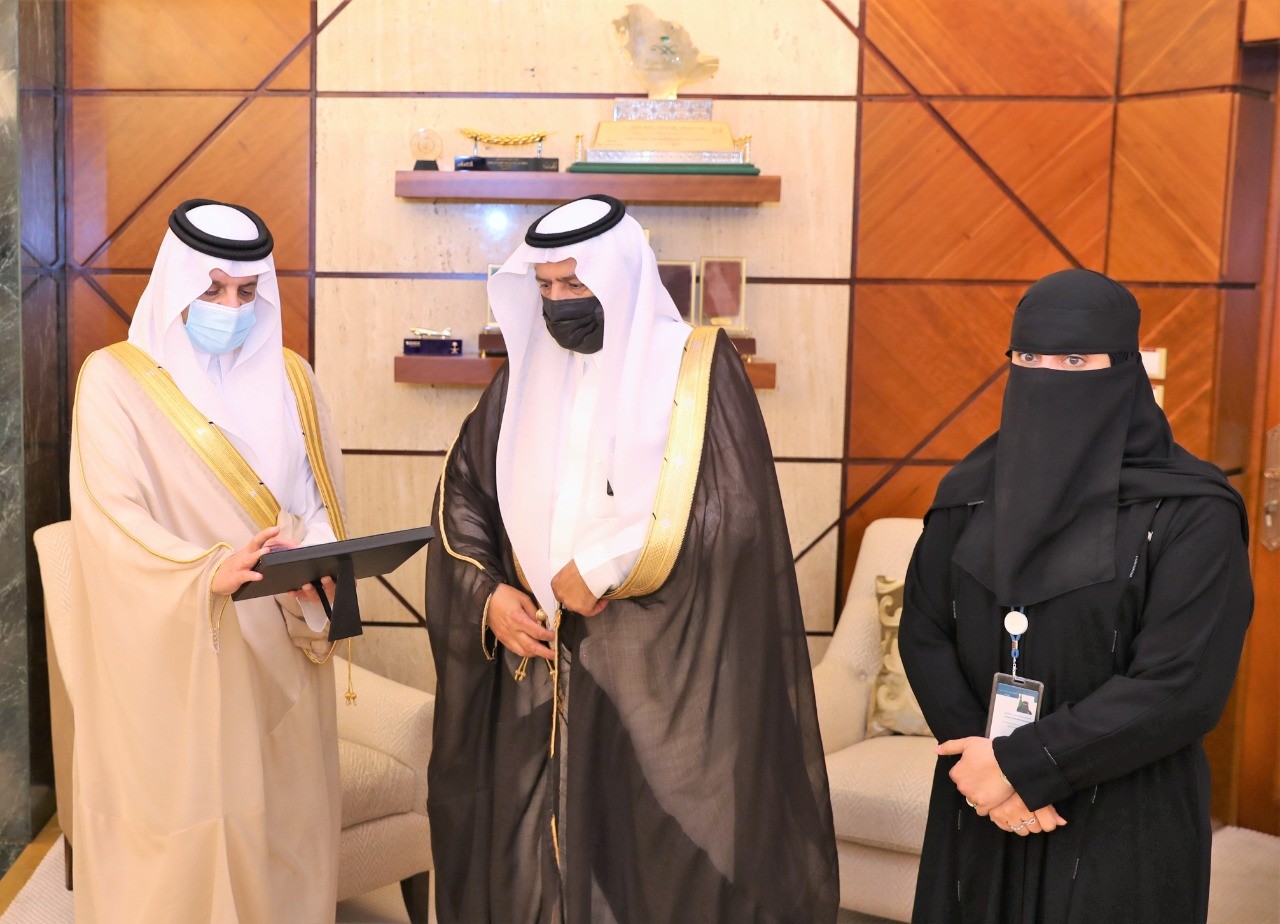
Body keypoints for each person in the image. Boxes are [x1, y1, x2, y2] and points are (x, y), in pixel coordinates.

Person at [425, 194, 838, 923]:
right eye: (546, 286)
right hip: (536, 666)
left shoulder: (695, 369)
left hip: (651, 671)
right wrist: (486, 595)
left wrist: (609, 563)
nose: (559, 303)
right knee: (535, 870)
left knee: (652, 869)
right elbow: (464, 491)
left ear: (617, 277)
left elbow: (732, 511)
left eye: (574, 284)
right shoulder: (522, 376)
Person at [900, 269, 1253, 923]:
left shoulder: (1193, 510)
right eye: (1029, 358)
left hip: (1124, 809)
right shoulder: (968, 494)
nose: (1048, 376)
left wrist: (1025, 765)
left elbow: (1180, 683)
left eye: (1073, 360)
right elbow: (923, 630)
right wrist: (982, 763)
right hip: (982, 798)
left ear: (1124, 369)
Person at [65, 199, 348, 923]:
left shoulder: (293, 379)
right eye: (213, 290)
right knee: (190, 835)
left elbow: (317, 500)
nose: (231, 309)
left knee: (283, 826)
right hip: (183, 642)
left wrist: (313, 558)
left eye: (247, 293)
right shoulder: (115, 381)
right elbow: (110, 515)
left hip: (282, 627)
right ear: (177, 283)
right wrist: (200, 573)